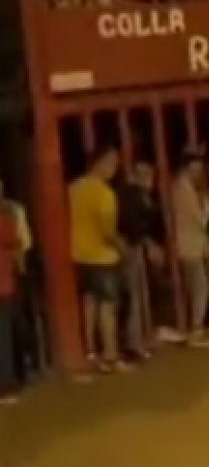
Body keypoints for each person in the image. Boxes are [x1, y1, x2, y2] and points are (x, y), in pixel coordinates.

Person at [69, 146, 126, 373]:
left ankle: (91, 352)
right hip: (103, 257)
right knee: (108, 307)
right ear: (99, 163)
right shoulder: (105, 194)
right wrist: (121, 247)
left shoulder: (74, 188)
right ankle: (111, 355)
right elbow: (108, 232)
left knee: (89, 304)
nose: (114, 169)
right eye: (112, 163)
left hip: (80, 255)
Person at [171, 150, 209, 346]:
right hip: (190, 244)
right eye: (196, 167)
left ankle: (208, 320)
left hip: (198, 242)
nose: (200, 171)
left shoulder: (187, 186)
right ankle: (197, 329)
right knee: (200, 286)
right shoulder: (183, 189)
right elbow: (201, 218)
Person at [115, 161, 162, 360]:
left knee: (140, 293)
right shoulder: (131, 195)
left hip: (136, 246)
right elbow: (133, 223)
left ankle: (142, 336)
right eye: (146, 175)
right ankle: (134, 341)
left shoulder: (138, 195)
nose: (150, 180)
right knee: (135, 294)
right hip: (132, 247)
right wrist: (147, 242)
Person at [0, 174, 23, 403]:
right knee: (4, 335)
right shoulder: (6, 218)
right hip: (3, 283)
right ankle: (5, 384)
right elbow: (16, 246)